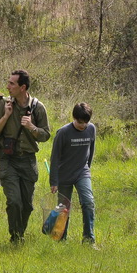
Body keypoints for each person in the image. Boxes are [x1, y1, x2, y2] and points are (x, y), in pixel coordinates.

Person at [0, 69, 50, 244]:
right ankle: (15, 237)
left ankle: (19, 233)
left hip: (28, 161)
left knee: (27, 206)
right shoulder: (4, 105)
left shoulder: (38, 107)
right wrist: (6, 116)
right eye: (8, 82)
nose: (8, 87)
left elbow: (45, 135)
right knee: (14, 202)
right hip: (8, 160)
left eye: (12, 83)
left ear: (23, 87)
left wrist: (32, 127)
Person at [49, 102, 96, 243]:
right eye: (80, 122)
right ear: (74, 118)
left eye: (86, 122)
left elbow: (91, 150)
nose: (83, 126)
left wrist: (87, 168)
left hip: (82, 172)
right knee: (64, 208)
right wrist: (54, 181)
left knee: (88, 202)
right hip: (64, 175)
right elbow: (55, 158)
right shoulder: (63, 133)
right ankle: (61, 238)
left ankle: (89, 239)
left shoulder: (91, 129)